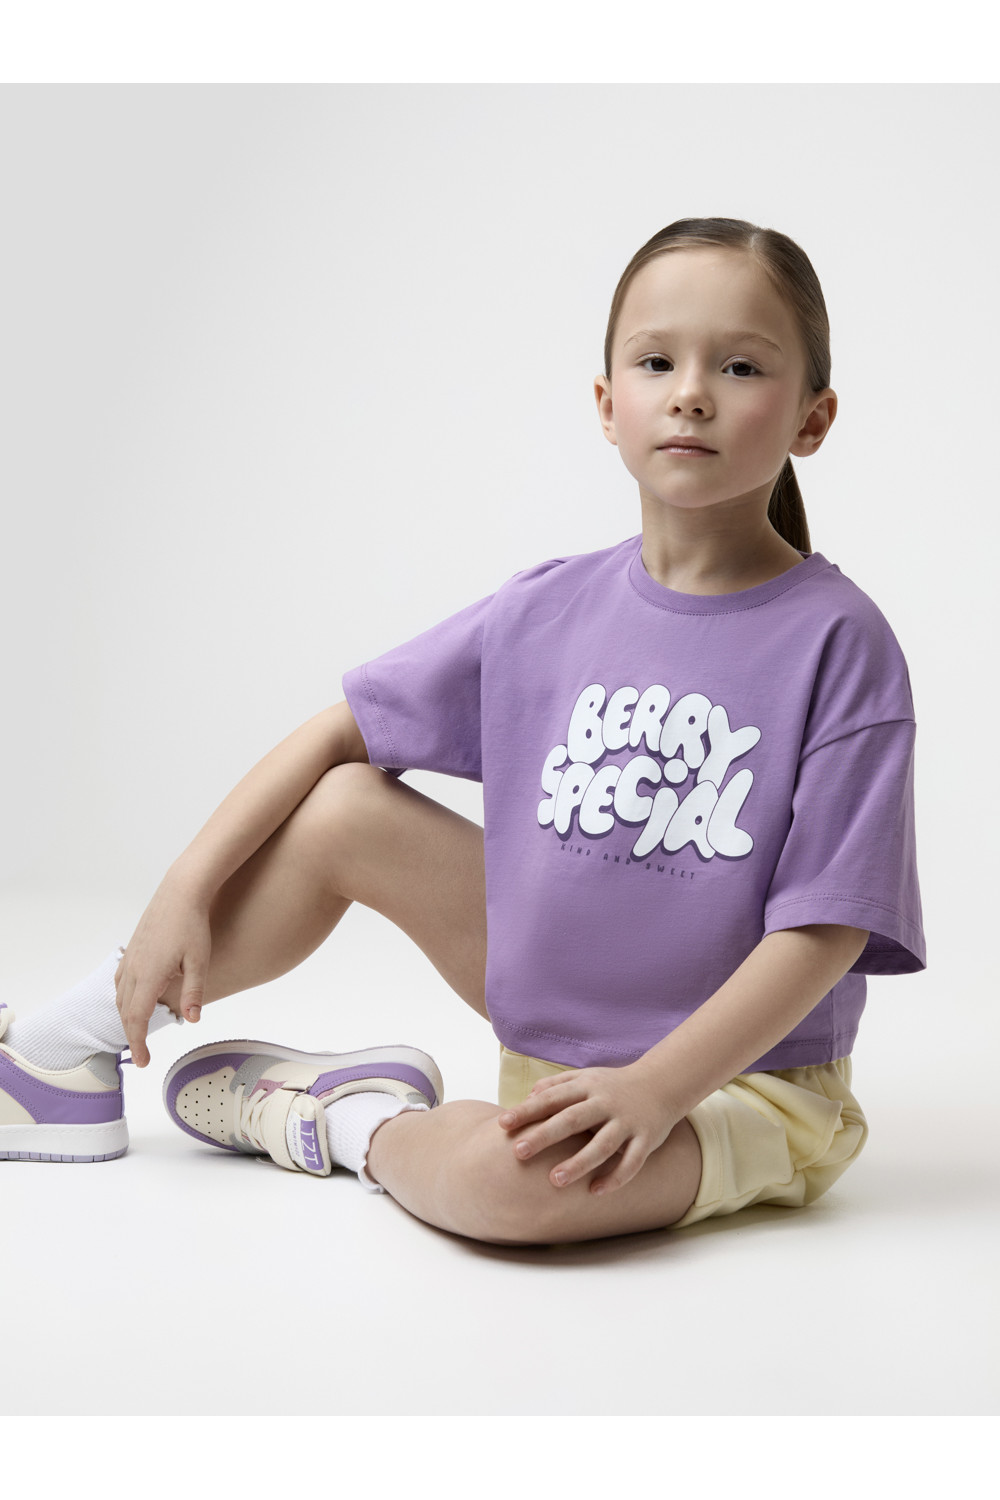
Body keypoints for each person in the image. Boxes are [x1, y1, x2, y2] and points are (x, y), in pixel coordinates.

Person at [0, 216, 926, 1246]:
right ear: (606, 404)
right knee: (342, 809)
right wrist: (183, 889)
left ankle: (348, 1121)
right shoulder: (545, 609)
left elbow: (825, 930)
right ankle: (57, 1049)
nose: (692, 392)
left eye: (741, 366)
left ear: (811, 418)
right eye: (657, 361)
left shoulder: (839, 642)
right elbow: (337, 736)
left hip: (741, 1085)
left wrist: (656, 1090)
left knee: (510, 1189)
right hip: (559, 1038)